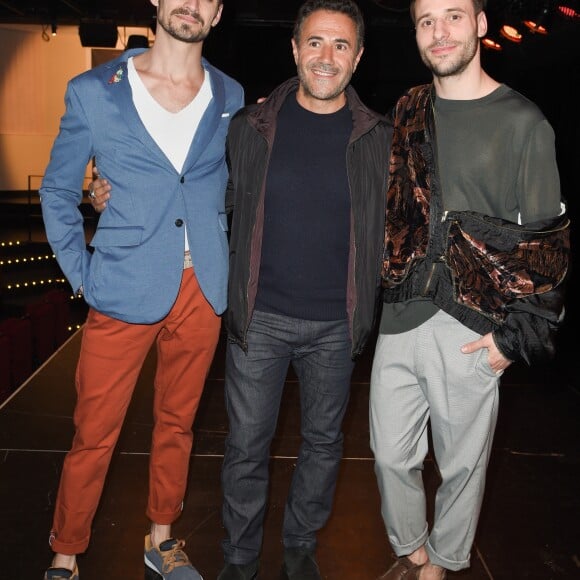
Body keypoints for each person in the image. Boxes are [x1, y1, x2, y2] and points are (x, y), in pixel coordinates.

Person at [89, 1, 390, 578]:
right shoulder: (248, 129)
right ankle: (239, 557)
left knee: (324, 446)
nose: (327, 57)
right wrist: (110, 189)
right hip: (262, 320)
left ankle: (300, 543)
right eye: (316, 42)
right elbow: (190, 190)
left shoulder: (380, 139)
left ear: (357, 58)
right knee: (246, 449)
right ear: (295, 49)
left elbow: (401, 227)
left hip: (338, 325)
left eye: (342, 45)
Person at [39, 0, 244, 578]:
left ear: (219, 12)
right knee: (93, 433)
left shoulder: (230, 94)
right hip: (122, 287)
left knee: (178, 425)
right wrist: (83, 274)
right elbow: (57, 192)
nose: (191, 3)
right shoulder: (93, 90)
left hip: (201, 289)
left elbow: (223, 186)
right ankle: (67, 550)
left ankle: (161, 539)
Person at [369, 1, 571, 579]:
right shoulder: (408, 110)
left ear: (480, 25)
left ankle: (441, 564)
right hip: (400, 311)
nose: (440, 32)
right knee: (388, 455)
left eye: (454, 16)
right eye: (426, 21)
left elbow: (547, 246)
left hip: (473, 324)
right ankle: (410, 549)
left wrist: (517, 336)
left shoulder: (523, 121)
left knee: (462, 467)